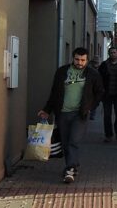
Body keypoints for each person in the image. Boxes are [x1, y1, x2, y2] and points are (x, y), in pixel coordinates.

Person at [39, 47, 104, 184]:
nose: (80, 62)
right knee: (65, 142)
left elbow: (100, 92)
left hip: (80, 114)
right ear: (72, 58)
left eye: (83, 60)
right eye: (77, 59)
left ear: (87, 60)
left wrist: (91, 107)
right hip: (62, 113)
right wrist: (46, 110)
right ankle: (73, 164)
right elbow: (54, 93)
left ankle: (70, 169)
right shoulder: (62, 72)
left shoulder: (92, 74)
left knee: (74, 140)